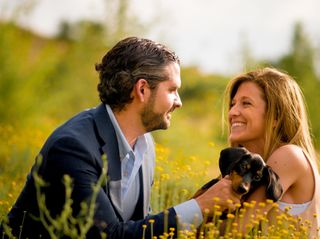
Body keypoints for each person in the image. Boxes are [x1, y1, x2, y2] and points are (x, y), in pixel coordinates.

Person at [0, 37, 240, 239]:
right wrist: (199, 207)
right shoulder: (73, 147)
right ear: (142, 89)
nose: (179, 102)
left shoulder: (145, 145)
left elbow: (140, 225)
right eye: (172, 90)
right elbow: (110, 235)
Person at [224, 67, 320, 238]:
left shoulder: (289, 156)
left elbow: (232, 232)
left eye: (246, 103)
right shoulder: (253, 165)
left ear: (276, 116)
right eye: (233, 104)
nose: (232, 112)